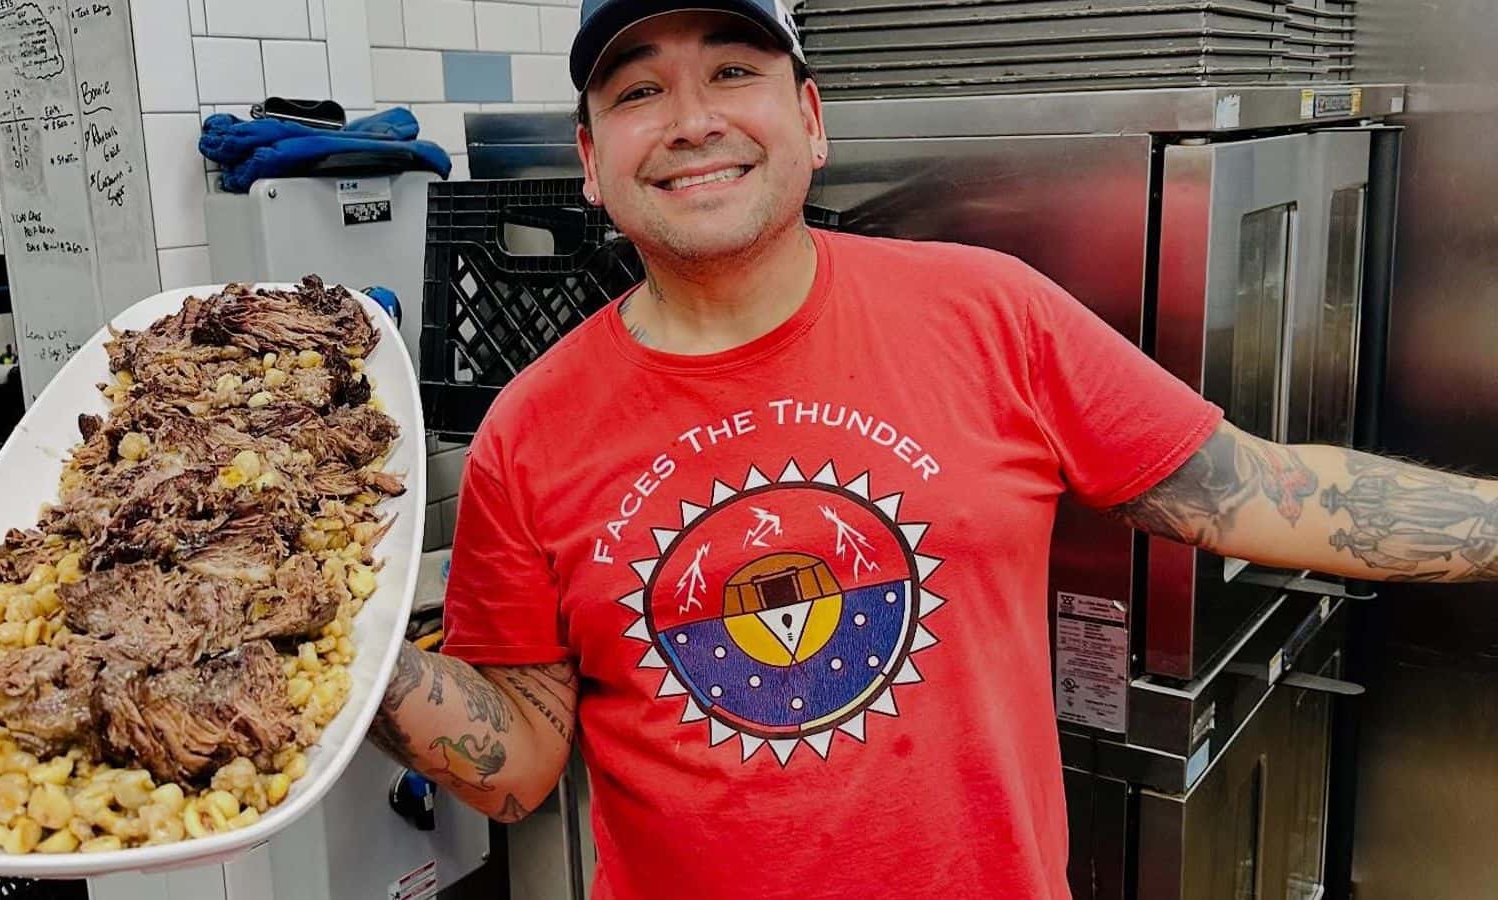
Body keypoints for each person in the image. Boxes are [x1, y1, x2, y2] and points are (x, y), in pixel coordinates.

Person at [367, 2, 1498, 897]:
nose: (690, 117)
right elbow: (514, 768)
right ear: (590, 158)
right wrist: (356, 656)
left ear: (811, 119)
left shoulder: (988, 313)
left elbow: (1263, 493)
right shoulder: (531, 429)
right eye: (636, 90)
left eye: (731, 71)